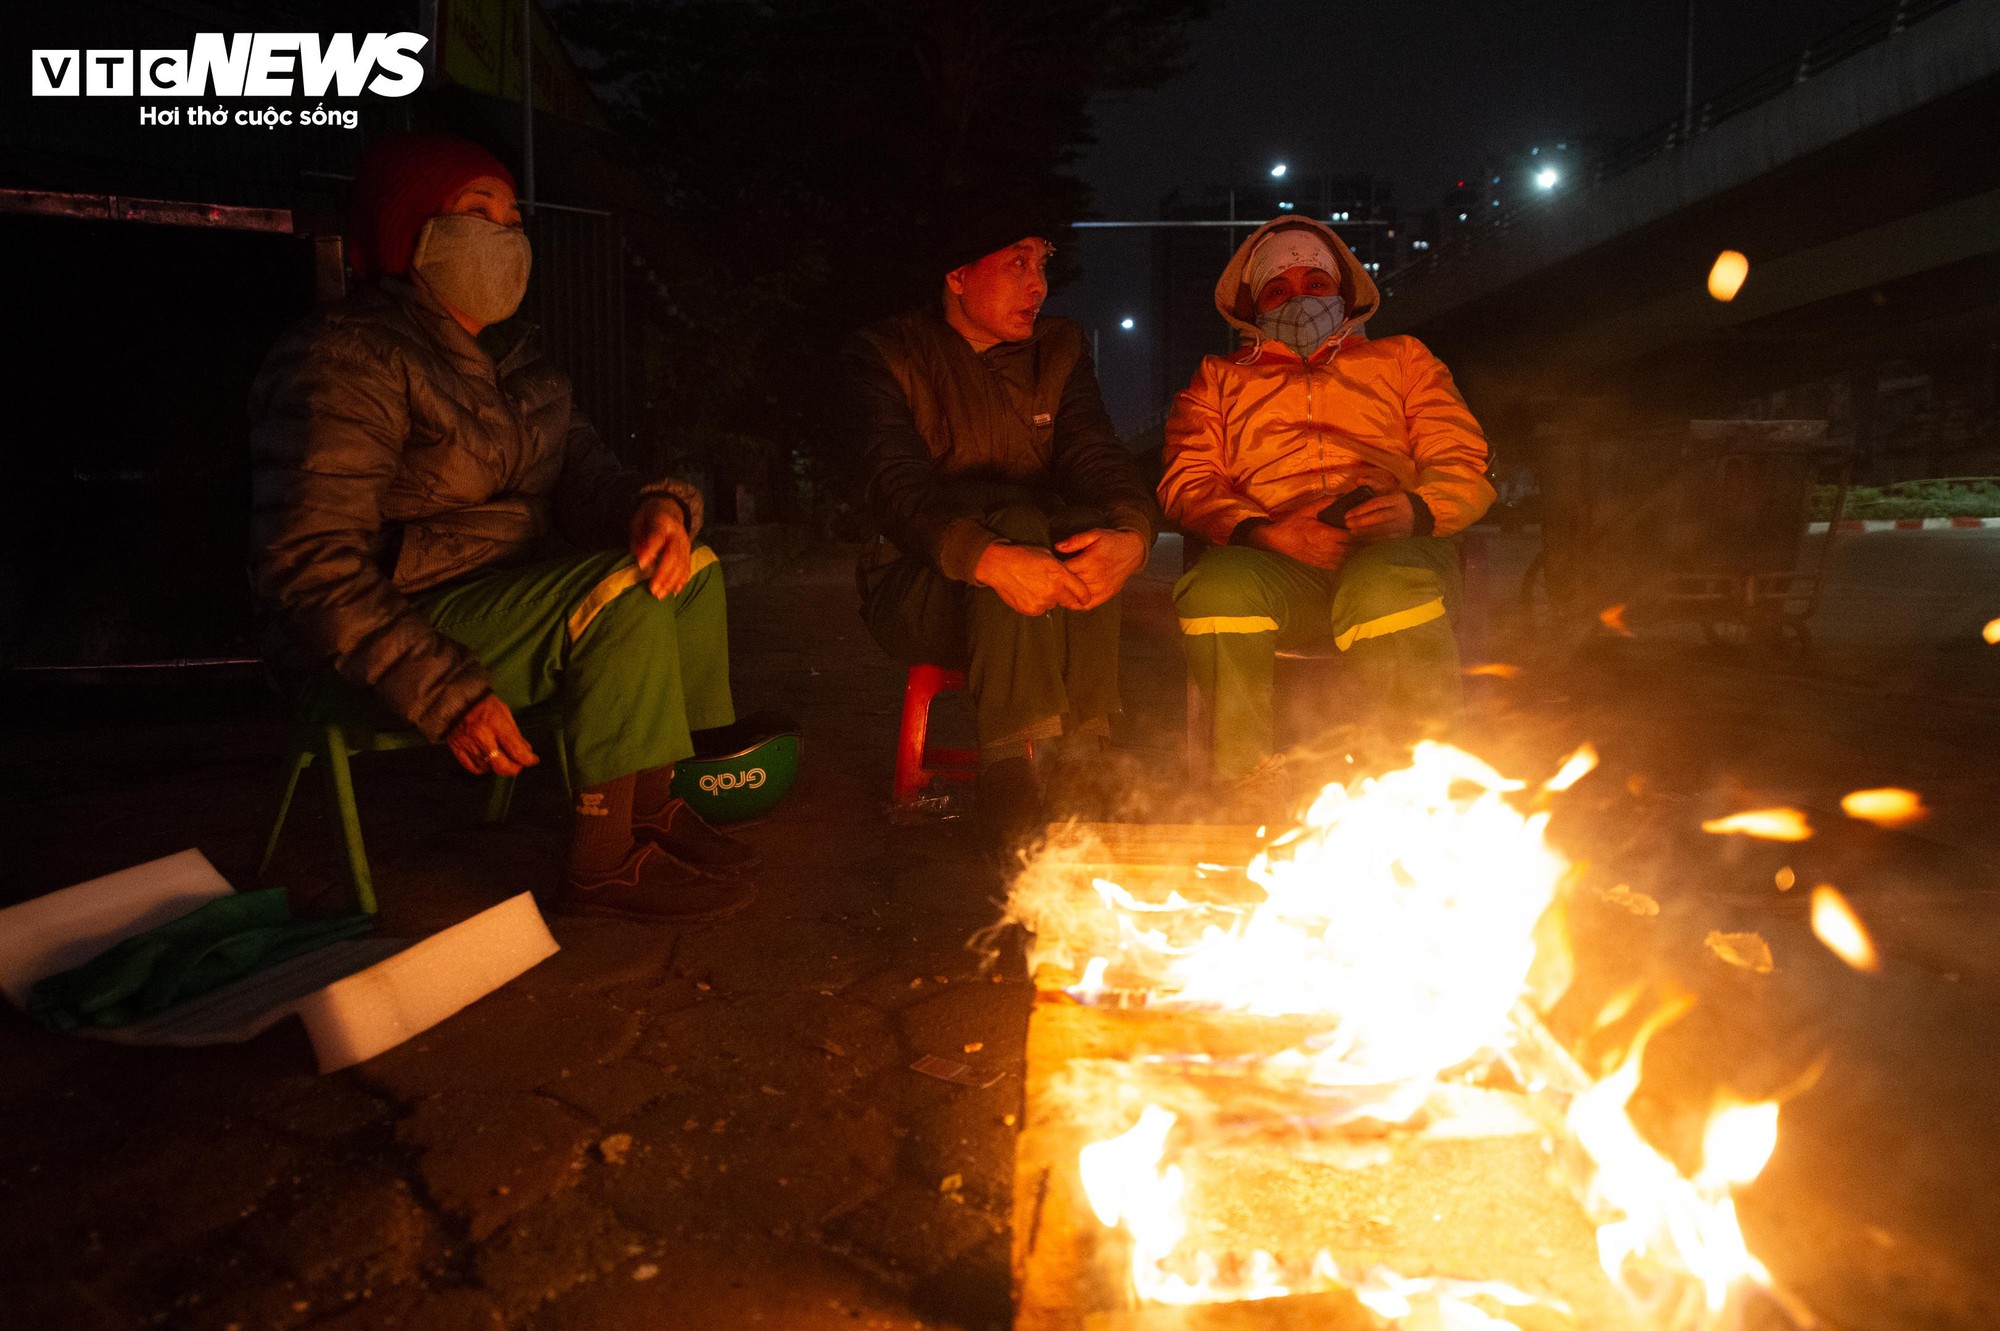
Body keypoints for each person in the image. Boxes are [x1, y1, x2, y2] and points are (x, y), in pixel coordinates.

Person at [251, 134, 754, 921]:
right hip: (396, 620)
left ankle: (651, 807)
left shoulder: (519, 364)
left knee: (688, 565)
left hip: (501, 597)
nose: (506, 231)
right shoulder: (349, 356)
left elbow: (588, 478)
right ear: (411, 231)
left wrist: (657, 508)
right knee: (616, 591)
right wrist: (445, 690)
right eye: (477, 212)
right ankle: (601, 861)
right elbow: (308, 564)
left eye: (513, 215)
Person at [845, 205, 1160, 840]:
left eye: (1042, 265)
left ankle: (1083, 756)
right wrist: (987, 557)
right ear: (958, 276)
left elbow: (1097, 456)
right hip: (922, 586)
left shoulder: (1059, 350)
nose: (1037, 285)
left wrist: (1133, 535)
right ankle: (1009, 776)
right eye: (1016, 264)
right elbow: (895, 488)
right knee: (1015, 520)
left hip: (1042, 568)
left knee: (1089, 527)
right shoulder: (891, 354)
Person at [1160, 217, 1496, 785]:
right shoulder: (1216, 381)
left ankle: (1421, 789)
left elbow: (1461, 460)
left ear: (1343, 291)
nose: (1300, 298)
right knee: (1215, 588)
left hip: (1397, 555)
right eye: (1278, 289)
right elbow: (1186, 480)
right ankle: (1238, 788)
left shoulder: (1404, 360)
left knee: (1384, 587)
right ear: (1251, 308)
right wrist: (1263, 532)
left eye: (1315, 283)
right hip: (1277, 567)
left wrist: (1415, 509)